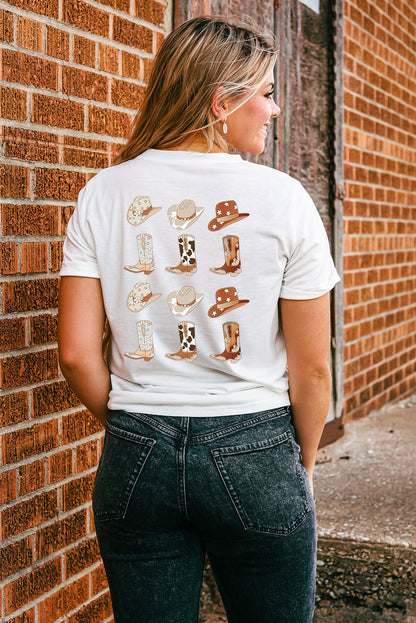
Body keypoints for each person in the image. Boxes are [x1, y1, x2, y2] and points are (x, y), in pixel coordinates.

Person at [58, 16, 340, 623]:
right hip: (256, 447)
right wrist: (303, 468)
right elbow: (314, 368)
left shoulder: (102, 193)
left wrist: (139, 426)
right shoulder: (285, 199)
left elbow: (77, 354)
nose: (274, 109)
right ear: (222, 103)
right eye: (265, 92)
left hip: (136, 451)